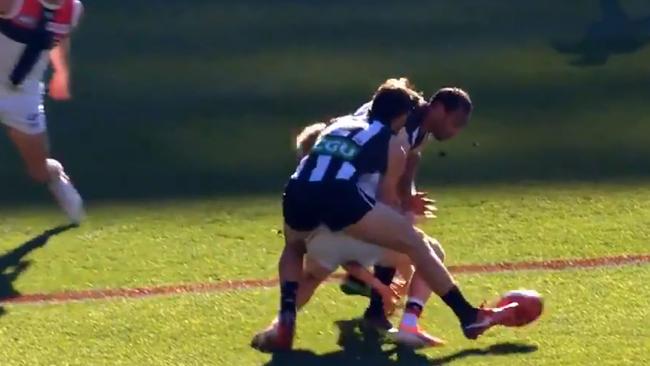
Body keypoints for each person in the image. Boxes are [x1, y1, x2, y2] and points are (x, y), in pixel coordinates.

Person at [253, 80, 520, 352]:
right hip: (343, 199)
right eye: (456, 122)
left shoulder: (340, 125)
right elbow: (388, 195)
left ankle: (286, 316)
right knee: (418, 245)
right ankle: (466, 315)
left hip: (299, 189)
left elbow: (400, 164)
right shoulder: (394, 139)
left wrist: (407, 196)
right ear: (403, 115)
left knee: (295, 248)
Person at [0, 0, 85, 224]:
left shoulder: (72, 9)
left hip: (22, 95)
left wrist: (61, 72)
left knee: (38, 171)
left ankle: (55, 175)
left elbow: (59, 37)